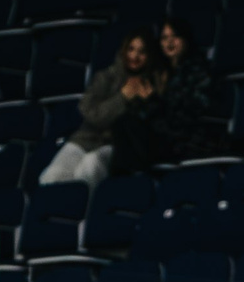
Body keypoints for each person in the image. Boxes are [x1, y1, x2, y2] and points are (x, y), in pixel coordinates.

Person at [39, 29, 158, 188]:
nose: (135, 56)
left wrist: (146, 99)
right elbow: (91, 114)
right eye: (131, 49)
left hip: (115, 146)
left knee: (90, 167)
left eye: (142, 52)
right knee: (50, 177)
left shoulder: (151, 84)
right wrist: (122, 98)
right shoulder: (106, 77)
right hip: (85, 139)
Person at [121, 16, 219, 171]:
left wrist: (151, 100)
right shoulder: (159, 73)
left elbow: (186, 116)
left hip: (187, 140)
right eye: (164, 38)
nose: (169, 42)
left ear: (186, 39)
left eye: (175, 36)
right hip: (161, 137)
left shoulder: (200, 71)